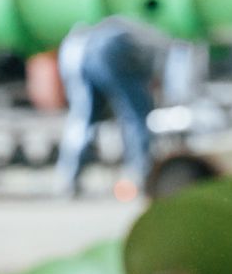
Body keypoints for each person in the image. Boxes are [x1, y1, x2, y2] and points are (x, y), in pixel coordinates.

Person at [55, 17, 164, 198]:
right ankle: (139, 177)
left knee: (82, 118)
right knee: (136, 116)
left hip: (76, 46)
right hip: (113, 46)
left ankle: (67, 178)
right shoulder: (161, 43)